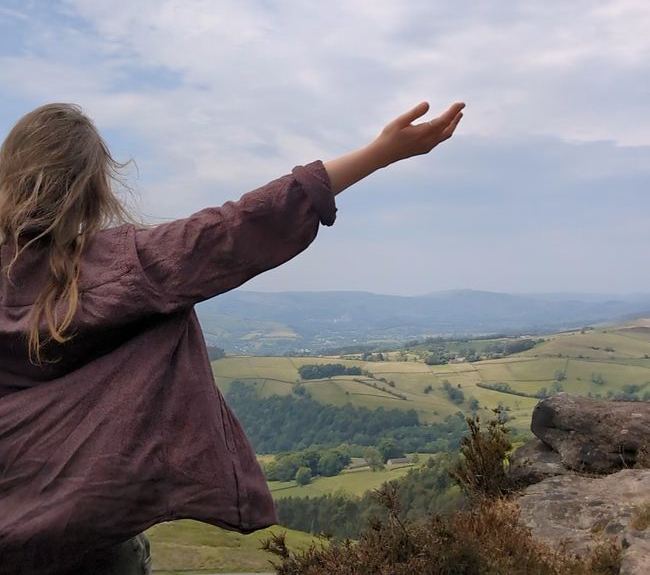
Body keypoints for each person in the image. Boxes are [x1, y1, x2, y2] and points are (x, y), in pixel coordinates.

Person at [0, 99, 464, 575]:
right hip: (87, 537)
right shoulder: (123, 266)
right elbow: (236, 227)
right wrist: (380, 153)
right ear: (93, 188)